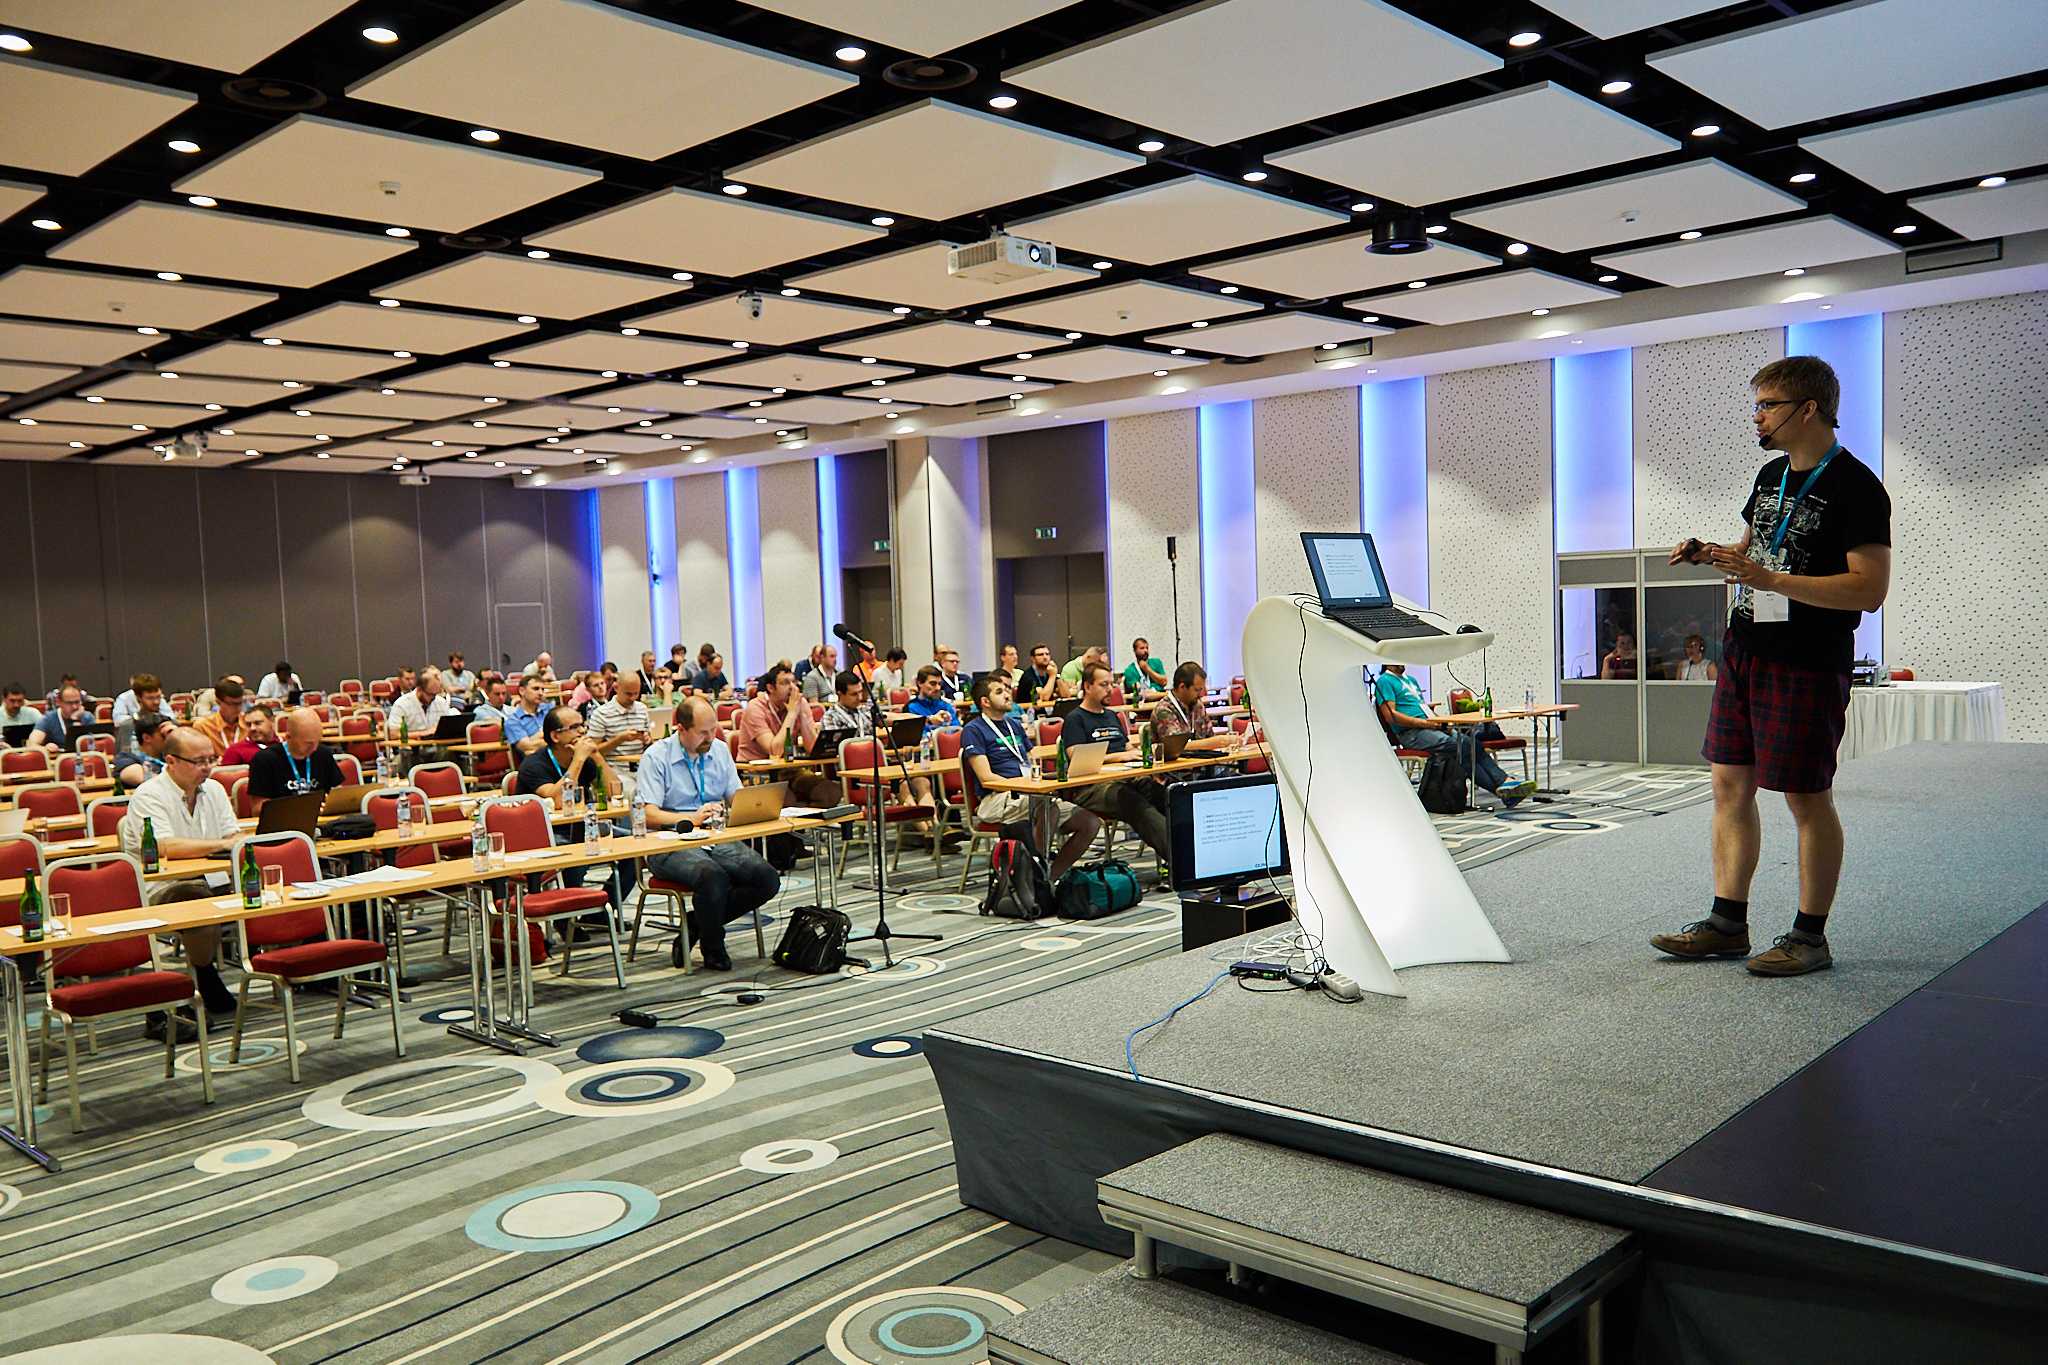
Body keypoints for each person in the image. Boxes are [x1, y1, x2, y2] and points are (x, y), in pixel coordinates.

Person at [1654, 355, 1891, 978]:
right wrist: (1711, 553)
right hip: (1745, 651)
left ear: (1808, 409)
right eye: (1756, 404)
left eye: (1767, 405)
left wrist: (1773, 580)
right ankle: (1727, 923)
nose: (1756, 416)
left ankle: (1810, 937)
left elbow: (1870, 589)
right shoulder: (1770, 476)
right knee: (1728, 785)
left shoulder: (1857, 487)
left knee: (1806, 798)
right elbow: (1755, 551)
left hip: (1807, 661)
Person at [118, 727, 248, 1029]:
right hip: (163, 887)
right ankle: (204, 977)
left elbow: (233, 835)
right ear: (171, 761)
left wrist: (228, 843)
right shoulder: (149, 795)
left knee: (267, 890)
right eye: (198, 761)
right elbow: (166, 846)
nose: (207, 767)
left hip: (215, 879)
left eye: (211, 759)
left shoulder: (214, 789)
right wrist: (219, 845)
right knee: (199, 904)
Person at [638, 696, 781, 972]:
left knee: (767, 879)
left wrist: (753, 807)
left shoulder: (719, 750)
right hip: (669, 841)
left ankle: (696, 923)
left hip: (715, 835)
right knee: (712, 879)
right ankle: (713, 947)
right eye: (702, 732)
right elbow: (647, 815)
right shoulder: (656, 757)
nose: (710, 737)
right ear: (681, 729)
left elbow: (735, 797)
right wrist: (689, 819)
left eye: (713, 729)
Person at [961, 675, 1101, 882]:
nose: (1008, 694)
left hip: (1029, 794)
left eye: (1006, 689)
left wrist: (1046, 779)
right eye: (999, 692)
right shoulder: (973, 730)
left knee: (1090, 823)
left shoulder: (1014, 725)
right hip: (997, 798)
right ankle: (1034, 876)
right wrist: (1025, 787)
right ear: (985, 701)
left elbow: (1031, 762)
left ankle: (1049, 879)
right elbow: (986, 778)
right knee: (1047, 808)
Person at [514, 707, 633, 913]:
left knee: (631, 846)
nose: (582, 731)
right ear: (555, 736)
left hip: (582, 827)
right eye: (575, 727)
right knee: (576, 851)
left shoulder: (584, 759)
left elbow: (615, 791)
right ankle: (568, 920)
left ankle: (603, 910)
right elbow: (557, 800)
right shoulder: (534, 763)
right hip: (547, 834)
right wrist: (578, 759)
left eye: (582, 725)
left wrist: (596, 756)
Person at [1059, 662, 1172, 871]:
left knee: (1166, 794)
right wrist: (1121, 756)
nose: (1110, 689)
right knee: (1133, 803)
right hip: (1092, 787)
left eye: (1112, 684)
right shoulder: (1075, 719)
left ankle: (1193, 847)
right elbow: (1076, 757)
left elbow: (1128, 747)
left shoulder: (1112, 716)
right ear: (1087, 687)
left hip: (1126, 777)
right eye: (1104, 685)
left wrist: (1138, 756)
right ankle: (1180, 860)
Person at [1374, 663, 1535, 808]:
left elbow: (1423, 709)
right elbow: (1391, 716)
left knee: (1472, 744)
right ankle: (1501, 789)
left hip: (1430, 727)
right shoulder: (1385, 681)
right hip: (1412, 733)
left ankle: (1505, 782)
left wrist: (1442, 722)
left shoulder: (1411, 680)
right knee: (1458, 748)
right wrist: (1425, 724)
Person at [736, 664, 843, 808]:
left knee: (830, 792)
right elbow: (775, 751)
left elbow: (813, 748)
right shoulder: (755, 708)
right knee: (785, 799)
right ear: (770, 688)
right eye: (785, 683)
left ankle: (805, 821)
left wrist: (801, 715)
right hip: (758, 774)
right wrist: (792, 714)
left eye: (794, 682)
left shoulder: (800, 703)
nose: (792, 688)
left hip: (789, 771)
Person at [246, 708, 345, 815]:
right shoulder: (264, 760)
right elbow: (257, 809)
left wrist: (331, 804)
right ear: (288, 737)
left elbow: (338, 793)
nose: (314, 748)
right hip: (284, 821)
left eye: (318, 741)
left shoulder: (323, 754)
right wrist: (299, 808)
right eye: (308, 743)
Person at [1149, 662, 1238, 781]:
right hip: (1175, 773)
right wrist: (1220, 741)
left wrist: (1238, 740)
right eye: (1197, 690)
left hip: (1202, 766)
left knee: (1236, 778)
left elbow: (1209, 737)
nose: (1201, 694)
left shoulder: (1197, 706)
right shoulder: (1164, 710)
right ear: (1182, 687)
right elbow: (1178, 747)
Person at [586, 672, 651, 802]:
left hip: (642, 768)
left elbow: (649, 744)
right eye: (628, 694)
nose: (632, 698)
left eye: (636, 693)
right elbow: (593, 752)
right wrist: (619, 739)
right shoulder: (601, 714)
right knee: (633, 793)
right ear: (616, 688)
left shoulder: (642, 709)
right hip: (615, 771)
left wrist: (647, 740)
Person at [113, 710, 172, 789]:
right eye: (163, 735)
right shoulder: (126, 758)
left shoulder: (172, 755)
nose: (169, 739)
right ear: (146, 738)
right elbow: (135, 776)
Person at [192, 678, 250, 756]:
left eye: (240, 703)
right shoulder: (203, 726)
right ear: (218, 702)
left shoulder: (249, 723)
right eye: (232, 704)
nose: (238, 708)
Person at [31, 685, 91, 754]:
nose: (74, 706)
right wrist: (45, 749)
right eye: (69, 703)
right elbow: (32, 744)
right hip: (57, 758)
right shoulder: (49, 718)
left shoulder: (87, 717)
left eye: (77, 702)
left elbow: (92, 744)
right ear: (59, 702)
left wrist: (75, 719)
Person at [504, 674, 548, 756]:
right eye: (536, 689)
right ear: (522, 691)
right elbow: (528, 746)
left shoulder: (550, 710)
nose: (541, 693)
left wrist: (534, 738)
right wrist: (550, 735)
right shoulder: (512, 722)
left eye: (542, 689)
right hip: (538, 761)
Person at [219, 703, 276, 767]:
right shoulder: (235, 750)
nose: (252, 728)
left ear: (272, 721)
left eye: (258, 723)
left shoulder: (284, 744)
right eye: (248, 725)